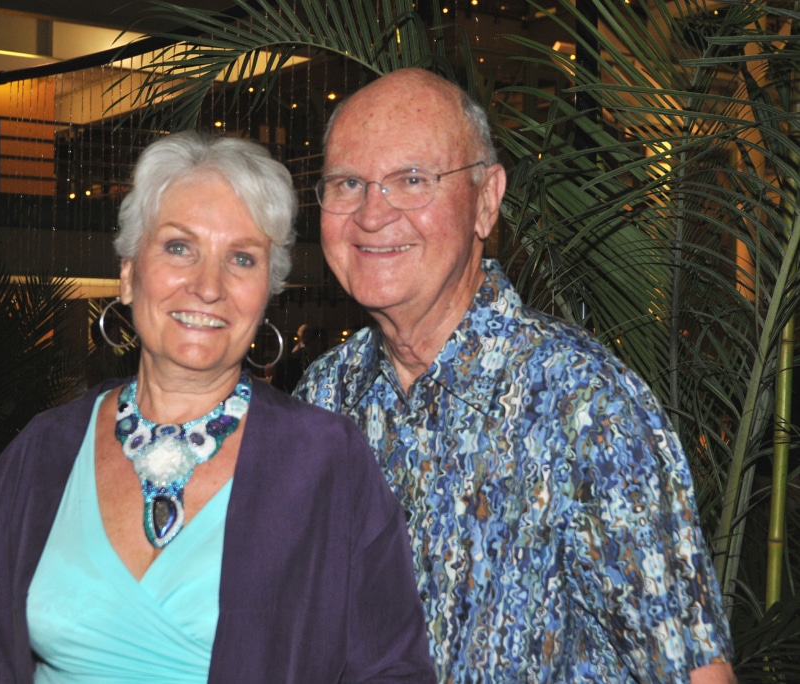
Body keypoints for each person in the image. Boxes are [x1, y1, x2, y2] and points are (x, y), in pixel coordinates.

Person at [0, 131, 433, 682]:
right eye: (179, 247)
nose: (207, 286)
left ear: (267, 292)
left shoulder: (326, 462)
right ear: (128, 273)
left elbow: (392, 668)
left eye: (241, 259)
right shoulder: (41, 451)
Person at [293, 68, 736, 683]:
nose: (372, 213)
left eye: (412, 180)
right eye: (347, 183)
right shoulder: (321, 400)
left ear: (486, 200)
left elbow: (693, 673)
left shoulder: (584, 406)